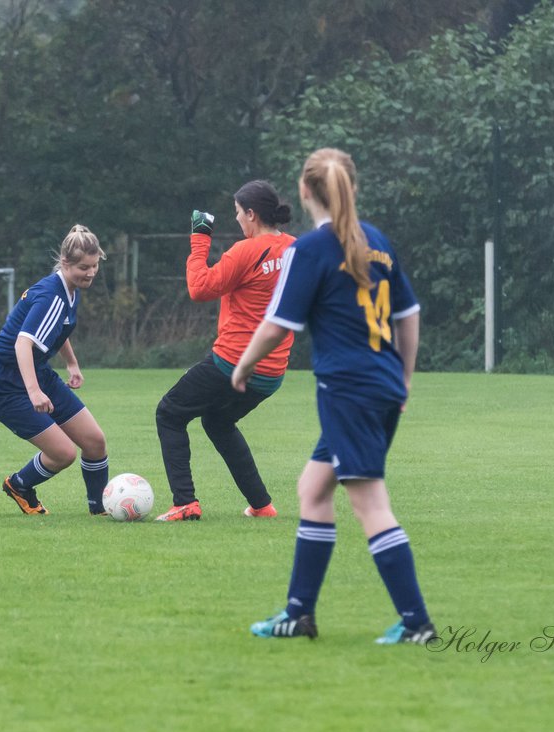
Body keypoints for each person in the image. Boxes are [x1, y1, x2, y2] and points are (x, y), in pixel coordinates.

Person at [232, 148, 436, 645]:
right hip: (381, 384)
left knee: (369, 503)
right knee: (313, 489)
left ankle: (416, 623)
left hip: (348, 390)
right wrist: (404, 378)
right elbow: (408, 316)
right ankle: (298, 614)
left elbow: (280, 325)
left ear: (304, 192)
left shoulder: (312, 249)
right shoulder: (378, 242)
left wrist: (243, 363)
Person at [154, 181, 296, 522]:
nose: (237, 221)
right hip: (272, 373)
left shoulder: (246, 251)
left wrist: (200, 237)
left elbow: (199, 288)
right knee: (218, 422)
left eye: (237, 214)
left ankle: (185, 502)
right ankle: (262, 506)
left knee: (169, 413)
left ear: (251, 213)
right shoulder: (296, 249)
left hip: (233, 362)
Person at [0, 224, 109, 516]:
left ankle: (100, 508)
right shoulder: (52, 295)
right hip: (5, 384)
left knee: (94, 441)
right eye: (83, 267)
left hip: (37, 372)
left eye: (94, 266)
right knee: (63, 454)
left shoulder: (71, 289)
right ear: (64, 263)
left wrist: (71, 362)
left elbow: (57, 329)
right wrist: (34, 391)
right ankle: (19, 484)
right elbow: (23, 343)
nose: (90, 273)